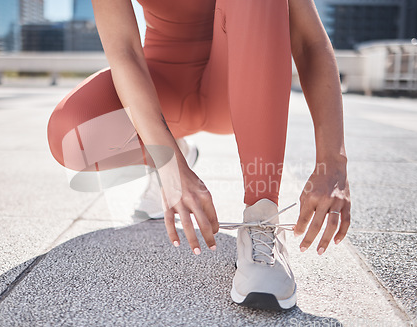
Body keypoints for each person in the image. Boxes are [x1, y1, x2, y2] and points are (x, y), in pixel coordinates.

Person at [47, 0, 351, 311]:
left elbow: (309, 42)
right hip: (164, 90)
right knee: (71, 136)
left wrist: (334, 163)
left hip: (238, 87)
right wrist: (168, 163)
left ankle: (262, 216)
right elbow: (124, 49)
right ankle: (172, 148)